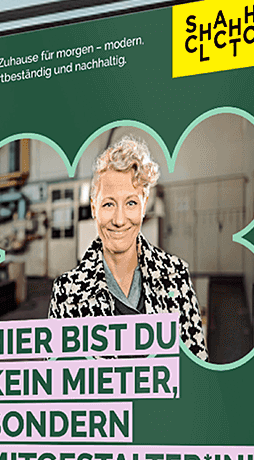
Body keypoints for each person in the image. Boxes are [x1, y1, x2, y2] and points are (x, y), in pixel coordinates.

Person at [48, 136, 207, 361]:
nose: (120, 220)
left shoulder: (175, 276)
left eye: (131, 203)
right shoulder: (67, 292)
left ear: (144, 204)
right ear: (94, 209)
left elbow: (197, 368)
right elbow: (59, 380)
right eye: (108, 204)